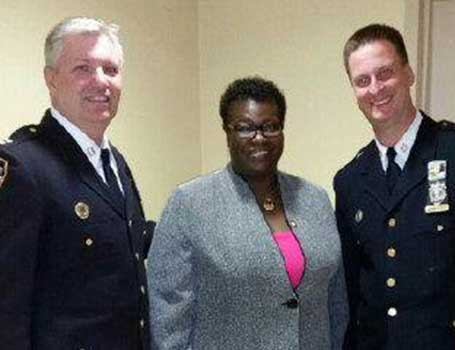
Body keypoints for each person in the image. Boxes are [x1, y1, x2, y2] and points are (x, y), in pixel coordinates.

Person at [334, 23, 455, 350]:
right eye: (362, 81)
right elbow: (352, 287)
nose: (375, 88)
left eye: (385, 73)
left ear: (408, 73)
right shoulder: (350, 180)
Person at [148, 76, 348, 350]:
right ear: (227, 132)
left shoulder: (315, 200)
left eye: (270, 127)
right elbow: (168, 316)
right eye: (245, 128)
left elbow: (335, 300)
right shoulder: (190, 204)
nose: (259, 138)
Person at [0, 17, 154, 350]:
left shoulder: (115, 163)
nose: (101, 82)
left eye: (111, 70)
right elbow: (7, 307)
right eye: (83, 68)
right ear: (51, 79)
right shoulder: (24, 166)